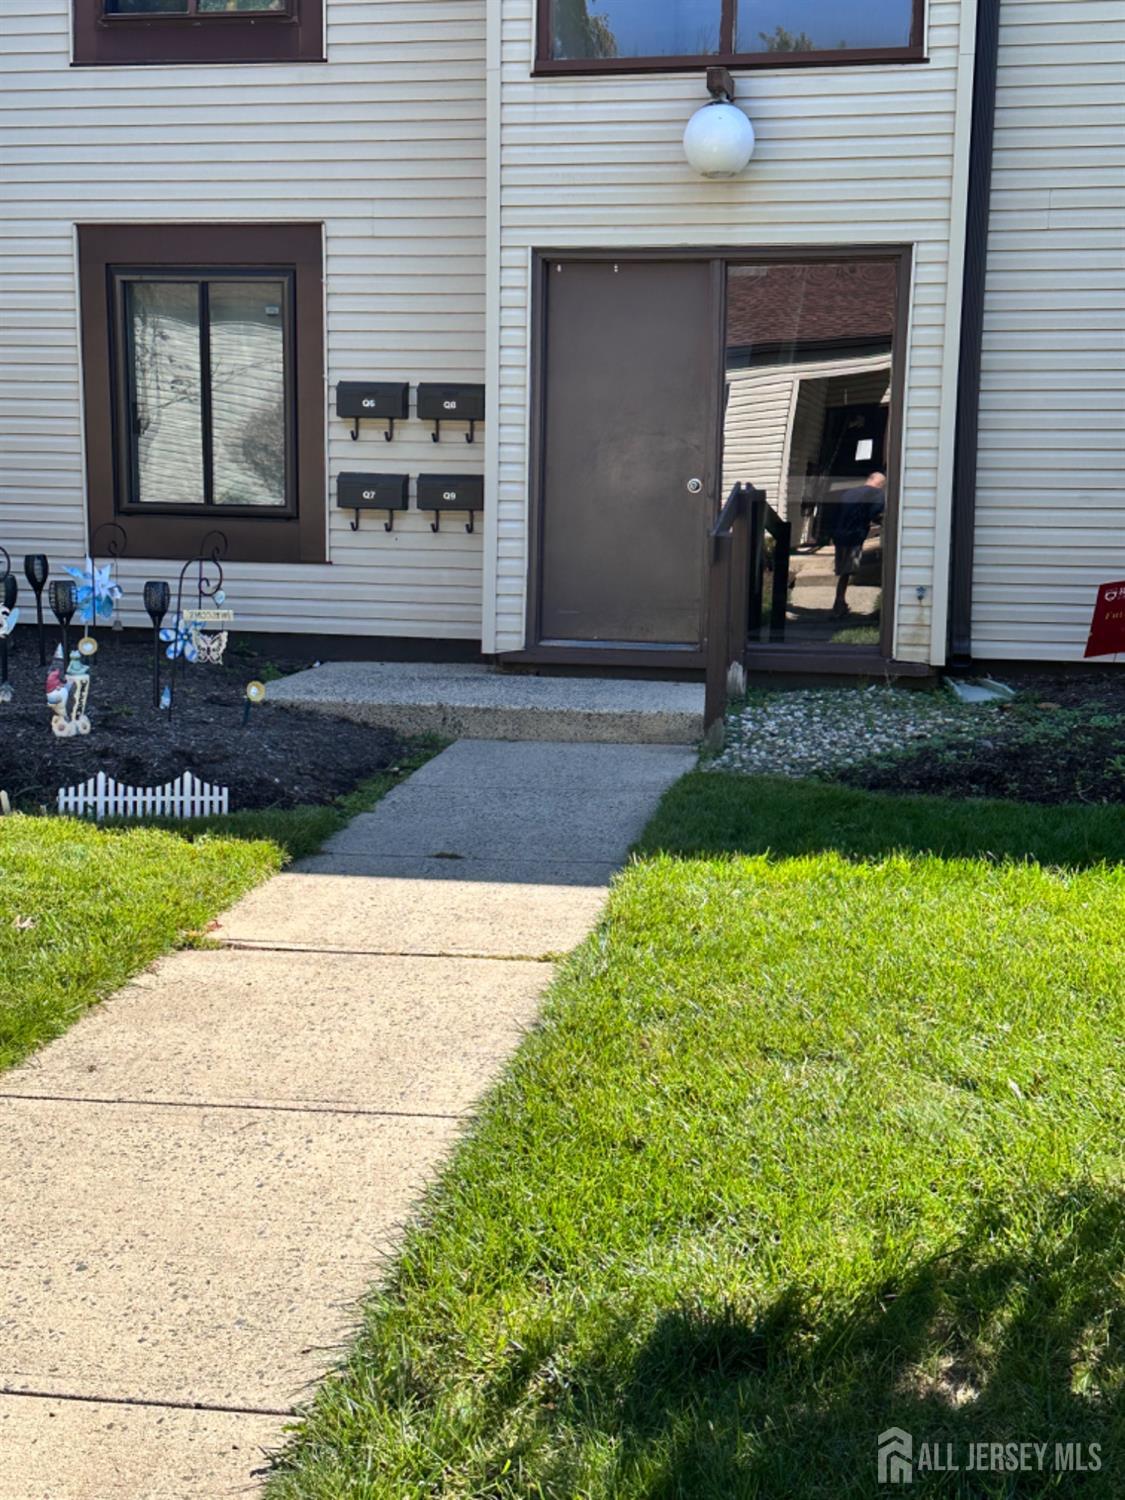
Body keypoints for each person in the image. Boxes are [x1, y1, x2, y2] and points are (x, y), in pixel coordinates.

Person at [832, 471, 886, 617]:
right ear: (880, 484)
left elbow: (837, 512)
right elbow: (875, 514)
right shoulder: (877, 494)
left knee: (844, 571)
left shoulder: (849, 493)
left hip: (840, 534)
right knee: (847, 571)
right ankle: (838, 605)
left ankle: (840, 603)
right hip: (854, 536)